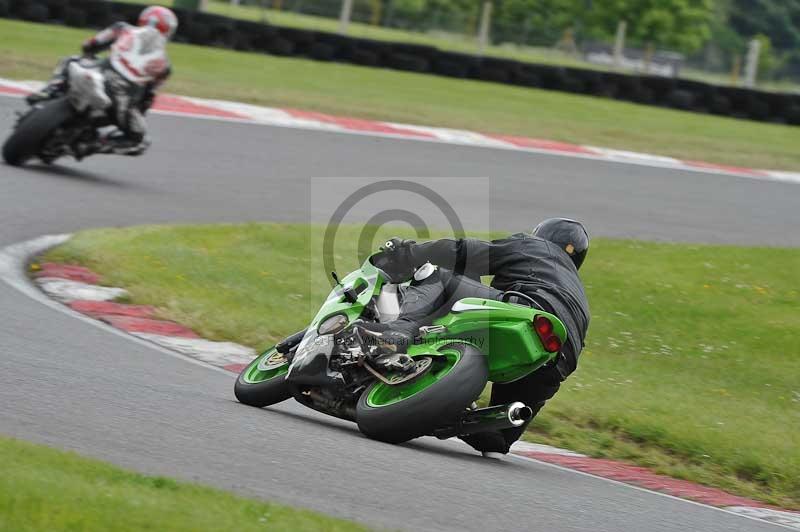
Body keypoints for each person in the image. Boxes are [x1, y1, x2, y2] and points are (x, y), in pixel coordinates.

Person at [365, 218, 591, 457]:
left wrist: (408, 252)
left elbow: (466, 252)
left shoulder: (537, 248)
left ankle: (398, 332)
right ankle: (454, 416)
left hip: (527, 310)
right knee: (497, 438)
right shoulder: (579, 295)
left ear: (541, 236)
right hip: (558, 356)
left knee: (433, 276)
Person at [26, 6, 178, 157]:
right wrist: (136, 114)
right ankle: (93, 144)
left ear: (142, 20)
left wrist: (90, 55)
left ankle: (48, 91)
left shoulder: (122, 28)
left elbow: (90, 45)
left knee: (70, 60)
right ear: (168, 32)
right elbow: (148, 97)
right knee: (140, 142)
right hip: (121, 102)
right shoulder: (164, 66)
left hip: (98, 73)